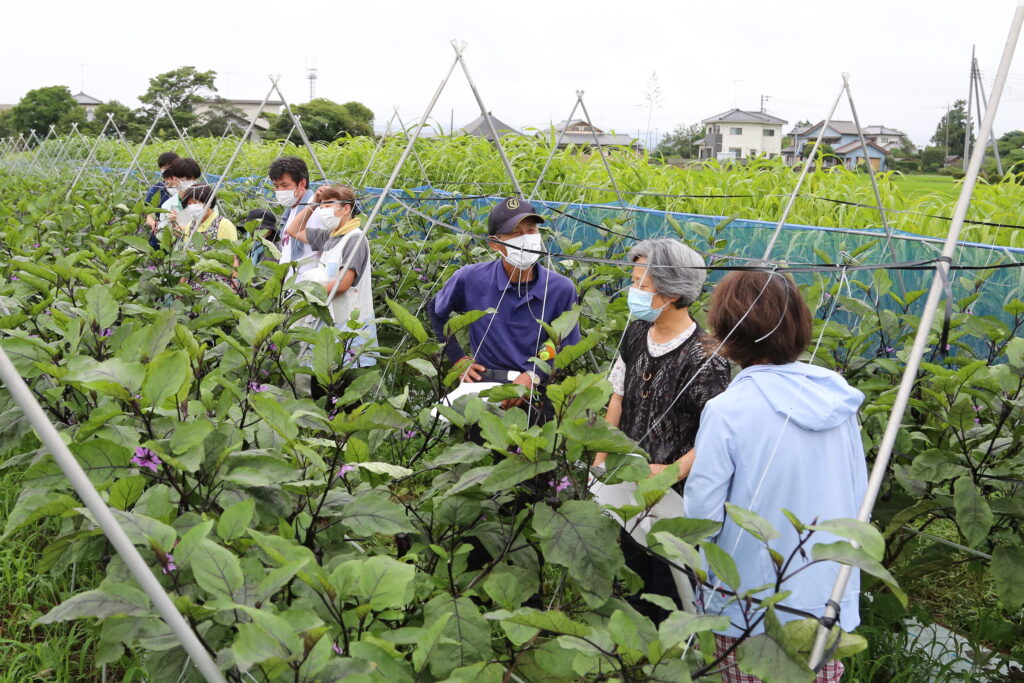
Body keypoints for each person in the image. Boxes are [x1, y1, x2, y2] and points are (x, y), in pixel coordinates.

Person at [684, 270, 867, 683]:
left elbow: (702, 516)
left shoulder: (728, 409)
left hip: (746, 605)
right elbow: (858, 494)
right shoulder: (836, 397)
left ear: (727, 330)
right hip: (825, 598)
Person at [592, 238, 731, 619]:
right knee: (632, 572)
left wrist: (668, 473)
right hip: (627, 485)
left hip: (676, 497)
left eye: (641, 284)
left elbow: (715, 438)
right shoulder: (637, 332)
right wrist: (601, 459)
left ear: (670, 293)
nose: (632, 292)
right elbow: (618, 396)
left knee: (670, 581)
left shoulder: (707, 358)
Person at [427, 198, 580, 411]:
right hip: (484, 387)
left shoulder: (560, 288)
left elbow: (566, 343)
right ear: (494, 243)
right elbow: (436, 311)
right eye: (516, 233)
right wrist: (458, 358)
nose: (526, 238)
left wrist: (534, 375)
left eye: (531, 230)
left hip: (535, 392)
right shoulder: (471, 279)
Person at [285, 184, 377, 367]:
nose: (324, 210)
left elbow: (342, 285)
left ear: (346, 209)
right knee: (322, 379)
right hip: (330, 320)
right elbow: (293, 230)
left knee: (346, 380)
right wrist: (313, 203)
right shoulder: (330, 237)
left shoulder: (355, 239)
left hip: (350, 324)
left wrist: (305, 294)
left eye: (329, 205)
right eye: (323, 206)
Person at [268, 156, 317, 279]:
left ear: (302, 183)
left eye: (285, 185)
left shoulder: (314, 209)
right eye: (276, 186)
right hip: (290, 286)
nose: (280, 191)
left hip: (307, 286)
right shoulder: (291, 208)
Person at [152, 157, 202, 246]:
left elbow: (213, 226)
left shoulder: (205, 201)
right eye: (186, 179)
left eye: (194, 179)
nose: (191, 182)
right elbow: (162, 235)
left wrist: (188, 230)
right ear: (175, 179)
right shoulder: (167, 206)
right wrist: (172, 228)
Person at [144, 151, 180, 248]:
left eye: (171, 168)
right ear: (161, 170)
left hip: (180, 236)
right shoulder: (157, 189)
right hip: (160, 235)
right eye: (165, 168)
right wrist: (153, 223)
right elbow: (149, 215)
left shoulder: (186, 189)